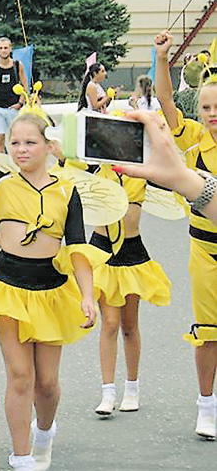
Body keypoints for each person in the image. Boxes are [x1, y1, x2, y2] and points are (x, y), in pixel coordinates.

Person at [0, 73, 104, 471]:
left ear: (49, 146)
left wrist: (87, 295)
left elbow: (78, 249)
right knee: (19, 375)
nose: (21, 149)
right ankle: (21, 458)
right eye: (15, 143)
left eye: (30, 142)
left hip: (51, 287)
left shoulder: (67, 190)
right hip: (7, 286)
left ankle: (45, 433)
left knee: (46, 382)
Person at [54, 150, 171, 417]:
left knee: (129, 325)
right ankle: (107, 392)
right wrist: (60, 151)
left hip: (132, 253)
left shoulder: (140, 173)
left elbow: (170, 182)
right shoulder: (96, 171)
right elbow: (66, 165)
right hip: (102, 252)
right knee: (108, 324)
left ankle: (132, 387)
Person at [153, 31, 217, 440]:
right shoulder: (193, 138)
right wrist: (162, 59)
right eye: (207, 106)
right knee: (210, 331)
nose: (213, 113)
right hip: (207, 250)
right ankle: (206, 406)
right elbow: (165, 102)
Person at [0, 37, 29, 153]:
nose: (4, 50)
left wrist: (20, 102)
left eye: (6, 48)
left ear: (10, 49)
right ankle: (1, 165)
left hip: (13, 106)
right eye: (1, 48)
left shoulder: (18, 65)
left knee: (17, 137)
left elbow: (25, 86)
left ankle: (17, 162)